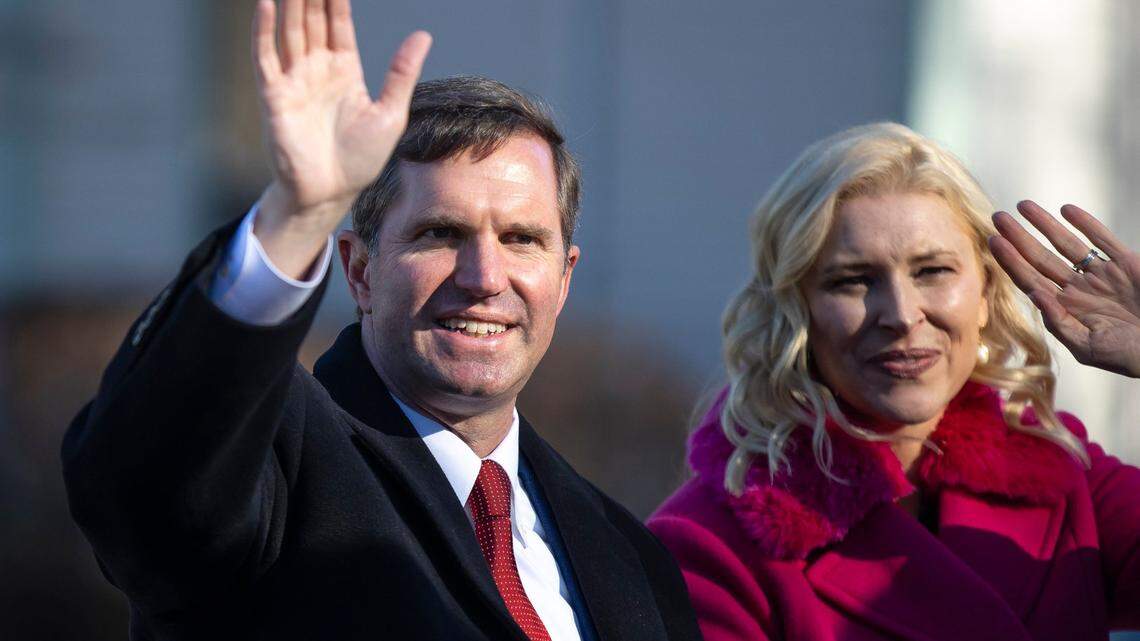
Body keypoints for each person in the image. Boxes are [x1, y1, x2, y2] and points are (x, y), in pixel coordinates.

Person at [60, 1, 700, 639]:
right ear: (360, 270)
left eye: (521, 239)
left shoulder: (632, 559)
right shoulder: (270, 462)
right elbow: (143, 491)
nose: (483, 277)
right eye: (441, 234)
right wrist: (298, 215)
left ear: (563, 280)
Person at [648, 122, 1140, 640]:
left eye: (932, 272)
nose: (902, 315)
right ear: (797, 309)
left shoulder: (1061, 472)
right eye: (853, 280)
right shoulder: (707, 546)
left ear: (986, 292)